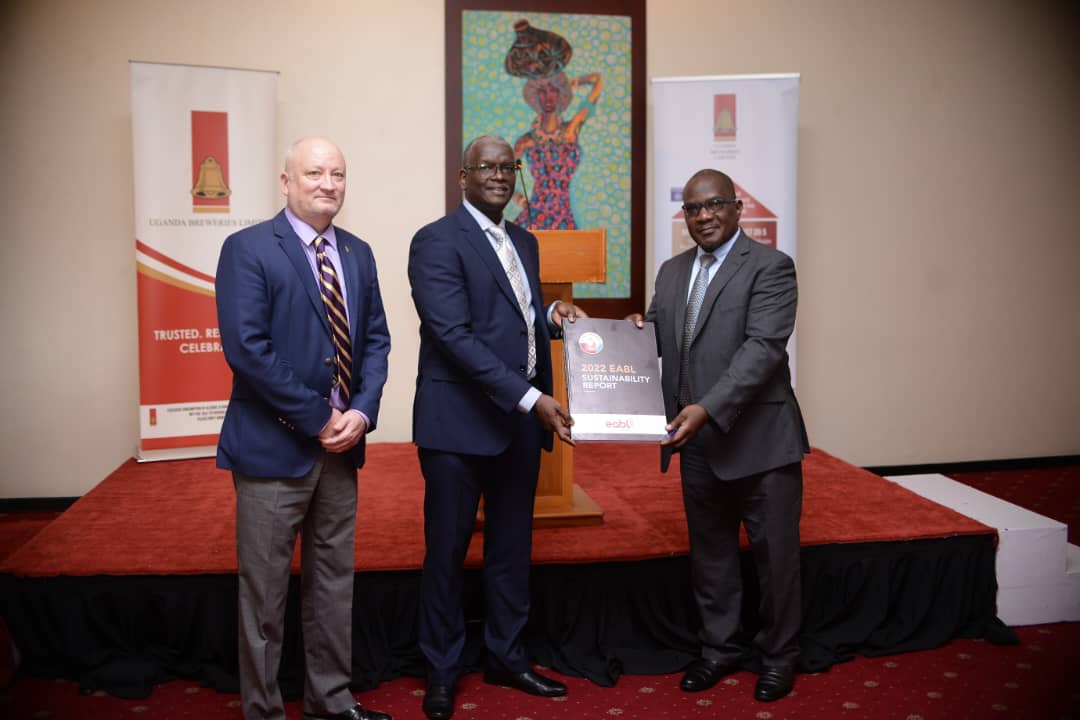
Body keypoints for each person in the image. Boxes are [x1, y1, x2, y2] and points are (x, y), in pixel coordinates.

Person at [408, 134, 587, 720]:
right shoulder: (436, 241)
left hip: (513, 427)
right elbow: (454, 336)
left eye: (509, 167)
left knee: (512, 550)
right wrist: (532, 398)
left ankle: (508, 658)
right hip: (458, 426)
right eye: (487, 166)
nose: (500, 175)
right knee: (447, 553)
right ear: (463, 176)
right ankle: (441, 670)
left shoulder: (525, 243)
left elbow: (518, 320)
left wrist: (555, 318)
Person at [215, 137, 392, 720]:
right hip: (275, 448)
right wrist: (320, 419)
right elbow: (248, 350)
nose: (328, 184)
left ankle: (330, 702)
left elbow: (375, 342)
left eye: (337, 173)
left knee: (333, 584)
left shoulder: (359, 253)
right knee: (263, 597)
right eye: (314, 173)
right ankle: (263, 712)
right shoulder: (247, 249)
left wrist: (361, 414)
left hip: (343, 450)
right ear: (285, 182)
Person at [628, 169, 809, 702]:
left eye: (713, 206)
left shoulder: (772, 268)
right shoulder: (672, 270)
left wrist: (706, 407)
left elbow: (763, 351)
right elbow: (657, 335)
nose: (703, 216)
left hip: (761, 442)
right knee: (711, 557)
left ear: (736, 209)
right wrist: (629, 333)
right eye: (692, 209)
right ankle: (719, 649)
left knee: (776, 560)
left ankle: (779, 657)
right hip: (698, 443)